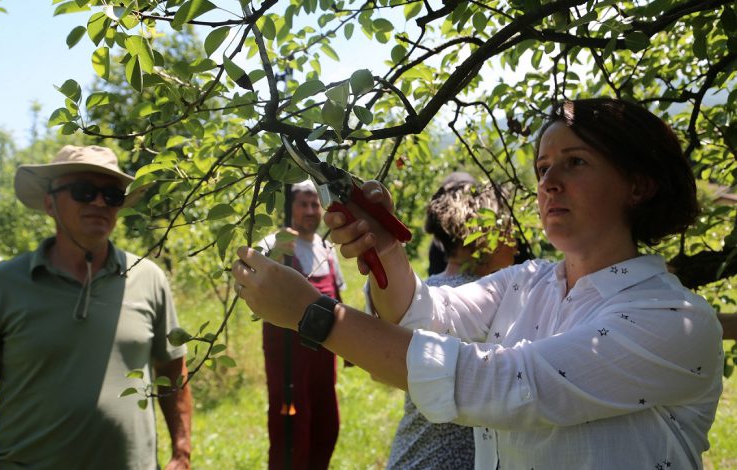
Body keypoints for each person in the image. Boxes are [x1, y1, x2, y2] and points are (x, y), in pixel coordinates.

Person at [232, 98, 723, 469]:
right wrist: (386, 248)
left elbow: (507, 384)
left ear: (638, 184)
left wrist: (313, 315)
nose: (550, 181)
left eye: (575, 162)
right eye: (543, 167)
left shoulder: (676, 321)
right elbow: (423, 318)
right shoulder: (525, 283)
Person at [0, 145, 192, 469]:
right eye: (84, 191)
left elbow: (173, 369)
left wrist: (182, 451)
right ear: (50, 203)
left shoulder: (147, 279)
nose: (99, 202)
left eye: (112, 195)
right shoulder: (2, 285)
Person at [387, 179, 516, 469]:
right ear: (486, 234)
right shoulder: (492, 300)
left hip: (413, 452)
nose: (516, 238)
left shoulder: (425, 291)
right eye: (508, 227)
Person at [258, 180, 346, 470]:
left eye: (314, 204)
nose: (310, 210)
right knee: (292, 433)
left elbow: (338, 295)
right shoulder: (274, 244)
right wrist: (271, 256)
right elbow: (246, 281)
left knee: (326, 426)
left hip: (323, 361)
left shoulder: (326, 247)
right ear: (289, 207)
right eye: (302, 204)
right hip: (288, 365)